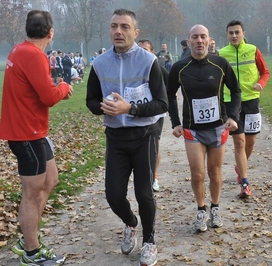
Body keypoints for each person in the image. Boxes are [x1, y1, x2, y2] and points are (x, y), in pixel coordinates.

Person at [86, 9, 168, 266]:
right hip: (116, 138)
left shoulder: (148, 60)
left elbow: (162, 103)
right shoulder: (99, 63)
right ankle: (131, 222)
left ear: (136, 32)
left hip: (145, 135)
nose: (118, 31)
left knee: (144, 194)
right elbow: (90, 99)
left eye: (124, 27)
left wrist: (130, 109)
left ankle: (149, 242)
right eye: (113, 26)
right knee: (113, 195)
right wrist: (102, 107)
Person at [0, 10, 73, 266]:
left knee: (51, 179)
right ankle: (32, 252)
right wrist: (65, 88)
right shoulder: (34, 55)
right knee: (32, 194)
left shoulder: (19, 50)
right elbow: (49, 97)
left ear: (26, 30)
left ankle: (26, 239)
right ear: (50, 33)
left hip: (34, 132)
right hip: (25, 134)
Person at [167, 24, 241, 233]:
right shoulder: (179, 68)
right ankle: (201, 209)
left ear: (209, 40)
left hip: (218, 127)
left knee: (214, 172)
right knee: (198, 174)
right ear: (189, 41)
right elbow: (170, 94)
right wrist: (175, 122)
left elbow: (235, 91)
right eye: (195, 37)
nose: (199, 41)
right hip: (193, 129)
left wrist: (233, 117)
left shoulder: (220, 64)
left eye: (203, 37)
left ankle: (215, 208)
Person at [219, 20, 270, 198]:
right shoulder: (222, 54)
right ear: (227, 35)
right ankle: (245, 182)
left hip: (251, 101)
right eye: (231, 33)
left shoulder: (253, 50)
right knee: (239, 142)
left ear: (243, 33)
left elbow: (265, 72)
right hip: (231, 102)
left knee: (250, 142)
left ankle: (240, 166)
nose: (234, 36)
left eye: (237, 32)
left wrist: (261, 83)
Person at [137, 38, 169, 192]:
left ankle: (154, 177)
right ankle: (142, 175)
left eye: (145, 49)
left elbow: (170, 85)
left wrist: (164, 100)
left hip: (156, 113)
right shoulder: (133, 68)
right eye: (139, 49)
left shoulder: (158, 68)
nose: (141, 52)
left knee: (154, 144)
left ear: (152, 52)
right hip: (138, 111)